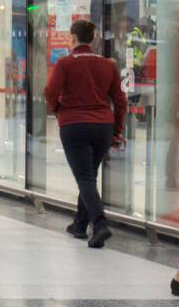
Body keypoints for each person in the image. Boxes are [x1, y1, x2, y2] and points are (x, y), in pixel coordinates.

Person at [44, 19, 127, 248]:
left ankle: (100, 224)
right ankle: (79, 225)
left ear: (72, 38)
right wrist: (117, 130)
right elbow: (120, 102)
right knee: (89, 174)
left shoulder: (65, 63)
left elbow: (50, 92)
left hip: (74, 125)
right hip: (103, 126)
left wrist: (60, 111)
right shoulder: (108, 65)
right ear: (93, 39)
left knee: (85, 177)